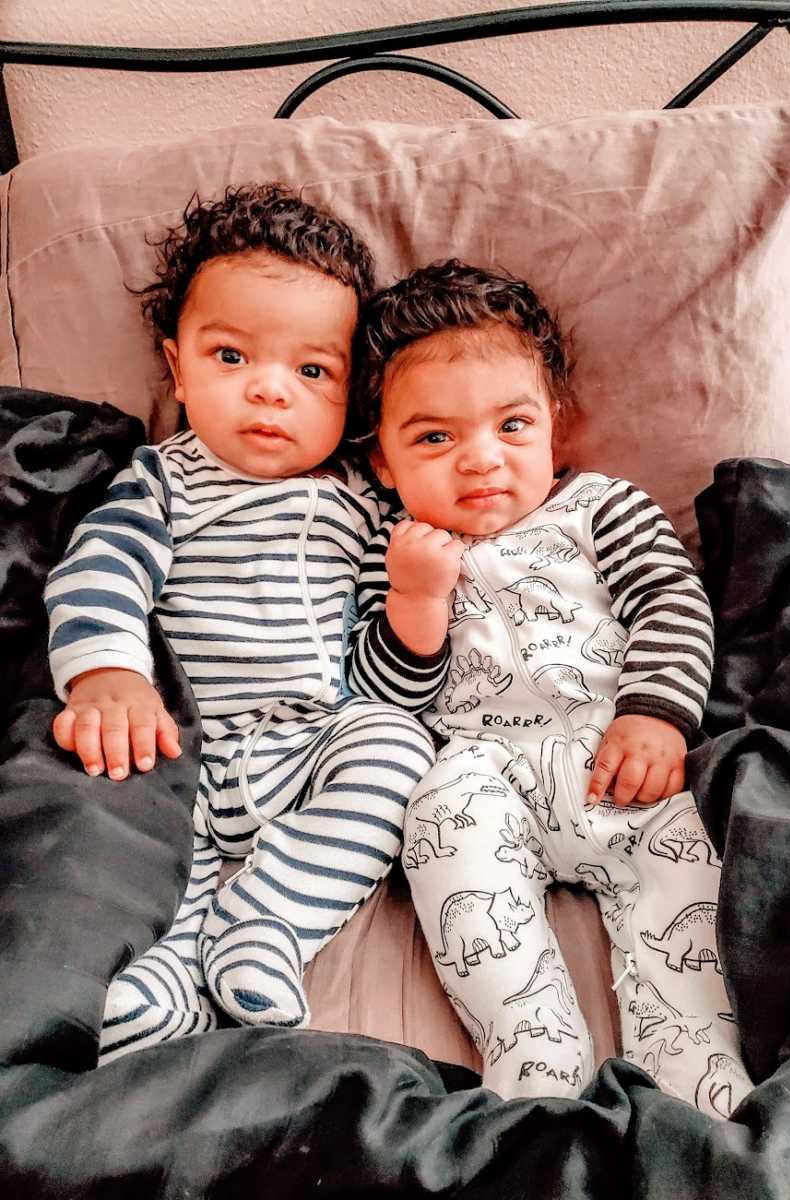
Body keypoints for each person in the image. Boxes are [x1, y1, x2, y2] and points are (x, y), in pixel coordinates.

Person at [345, 260, 753, 1115]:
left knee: (683, 876)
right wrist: (414, 600)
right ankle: (533, 1048)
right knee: (439, 815)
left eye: (512, 424)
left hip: (621, 761)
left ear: (554, 429)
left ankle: (692, 1077)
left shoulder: (599, 506)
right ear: (381, 461)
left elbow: (672, 601)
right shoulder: (391, 548)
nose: (482, 459)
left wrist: (657, 715)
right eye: (433, 439)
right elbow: (383, 696)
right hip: (487, 772)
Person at [44, 184, 436, 1063]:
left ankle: (265, 925)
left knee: (399, 745)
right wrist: (109, 675)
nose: (269, 392)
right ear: (177, 369)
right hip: (186, 750)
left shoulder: (366, 505)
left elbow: (390, 684)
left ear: (353, 394)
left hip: (308, 746)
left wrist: (414, 612)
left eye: (311, 372)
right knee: (137, 831)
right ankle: (165, 972)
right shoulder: (163, 481)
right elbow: (100, 571)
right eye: (230, 357)